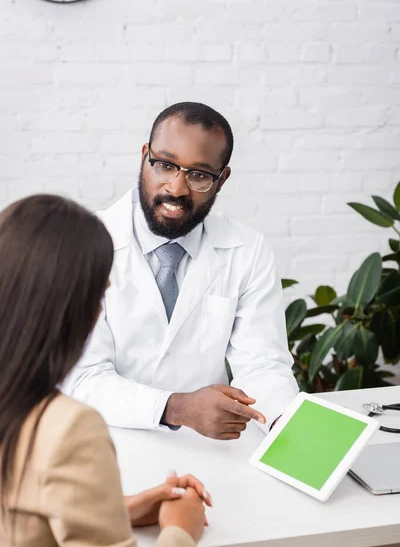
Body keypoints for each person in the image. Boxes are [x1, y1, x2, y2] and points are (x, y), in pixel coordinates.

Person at [64, 101, 298, 440]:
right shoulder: (84, 244)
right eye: (164, 165)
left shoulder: (248, 251)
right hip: (102, 444)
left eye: (199, 175)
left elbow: (261, 364)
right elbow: (83, 376)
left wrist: (281, 423)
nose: (176, 188)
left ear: (222, 179)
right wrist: (177, 408)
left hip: (206, 449)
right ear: (145, 156)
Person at [0, 195, 210, 547]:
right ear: (79, 309)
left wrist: (115, 510)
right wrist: (180, 533)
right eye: (100, 293)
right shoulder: (67, 429)